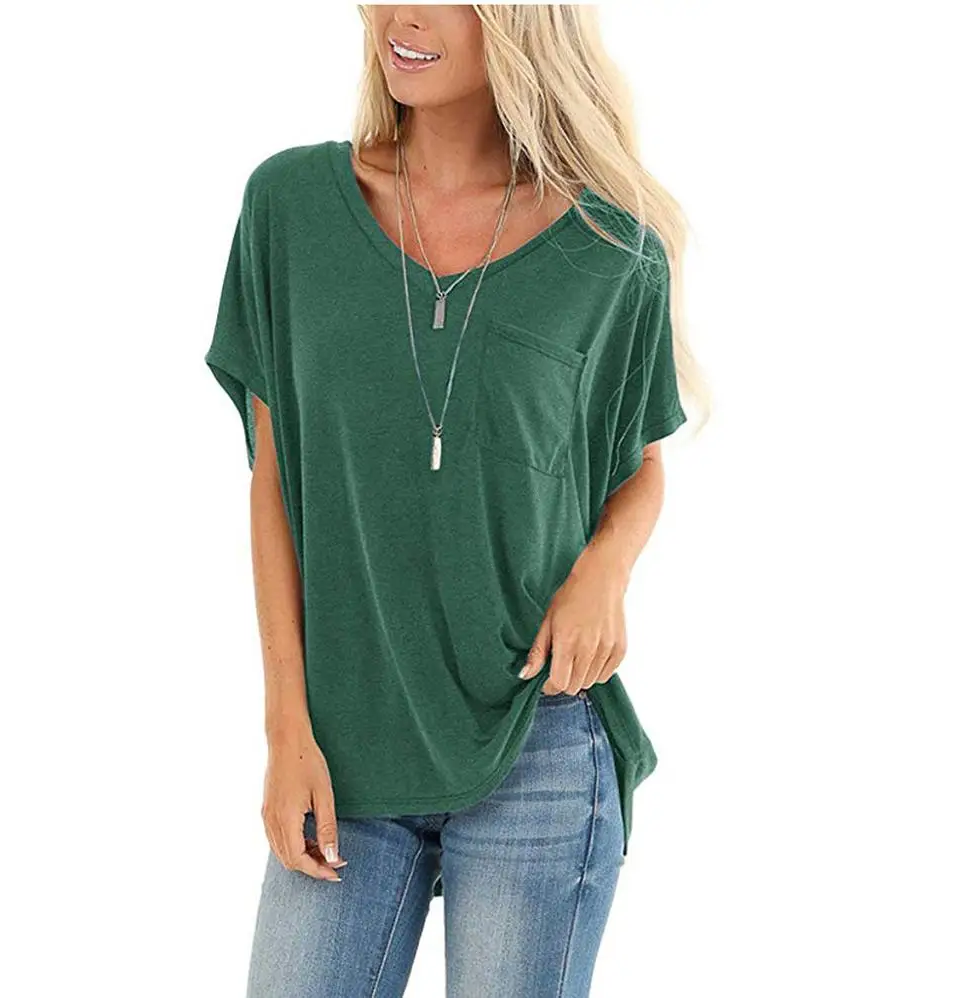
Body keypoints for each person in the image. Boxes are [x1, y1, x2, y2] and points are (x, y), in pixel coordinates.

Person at [204, 6, 706, 997]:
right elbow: (273, 479)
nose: (401, 15)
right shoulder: (290, 208)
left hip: (539, 735)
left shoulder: (610, 248)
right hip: (342, 748)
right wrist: (285, 728)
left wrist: (604, 573)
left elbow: (638, 461)